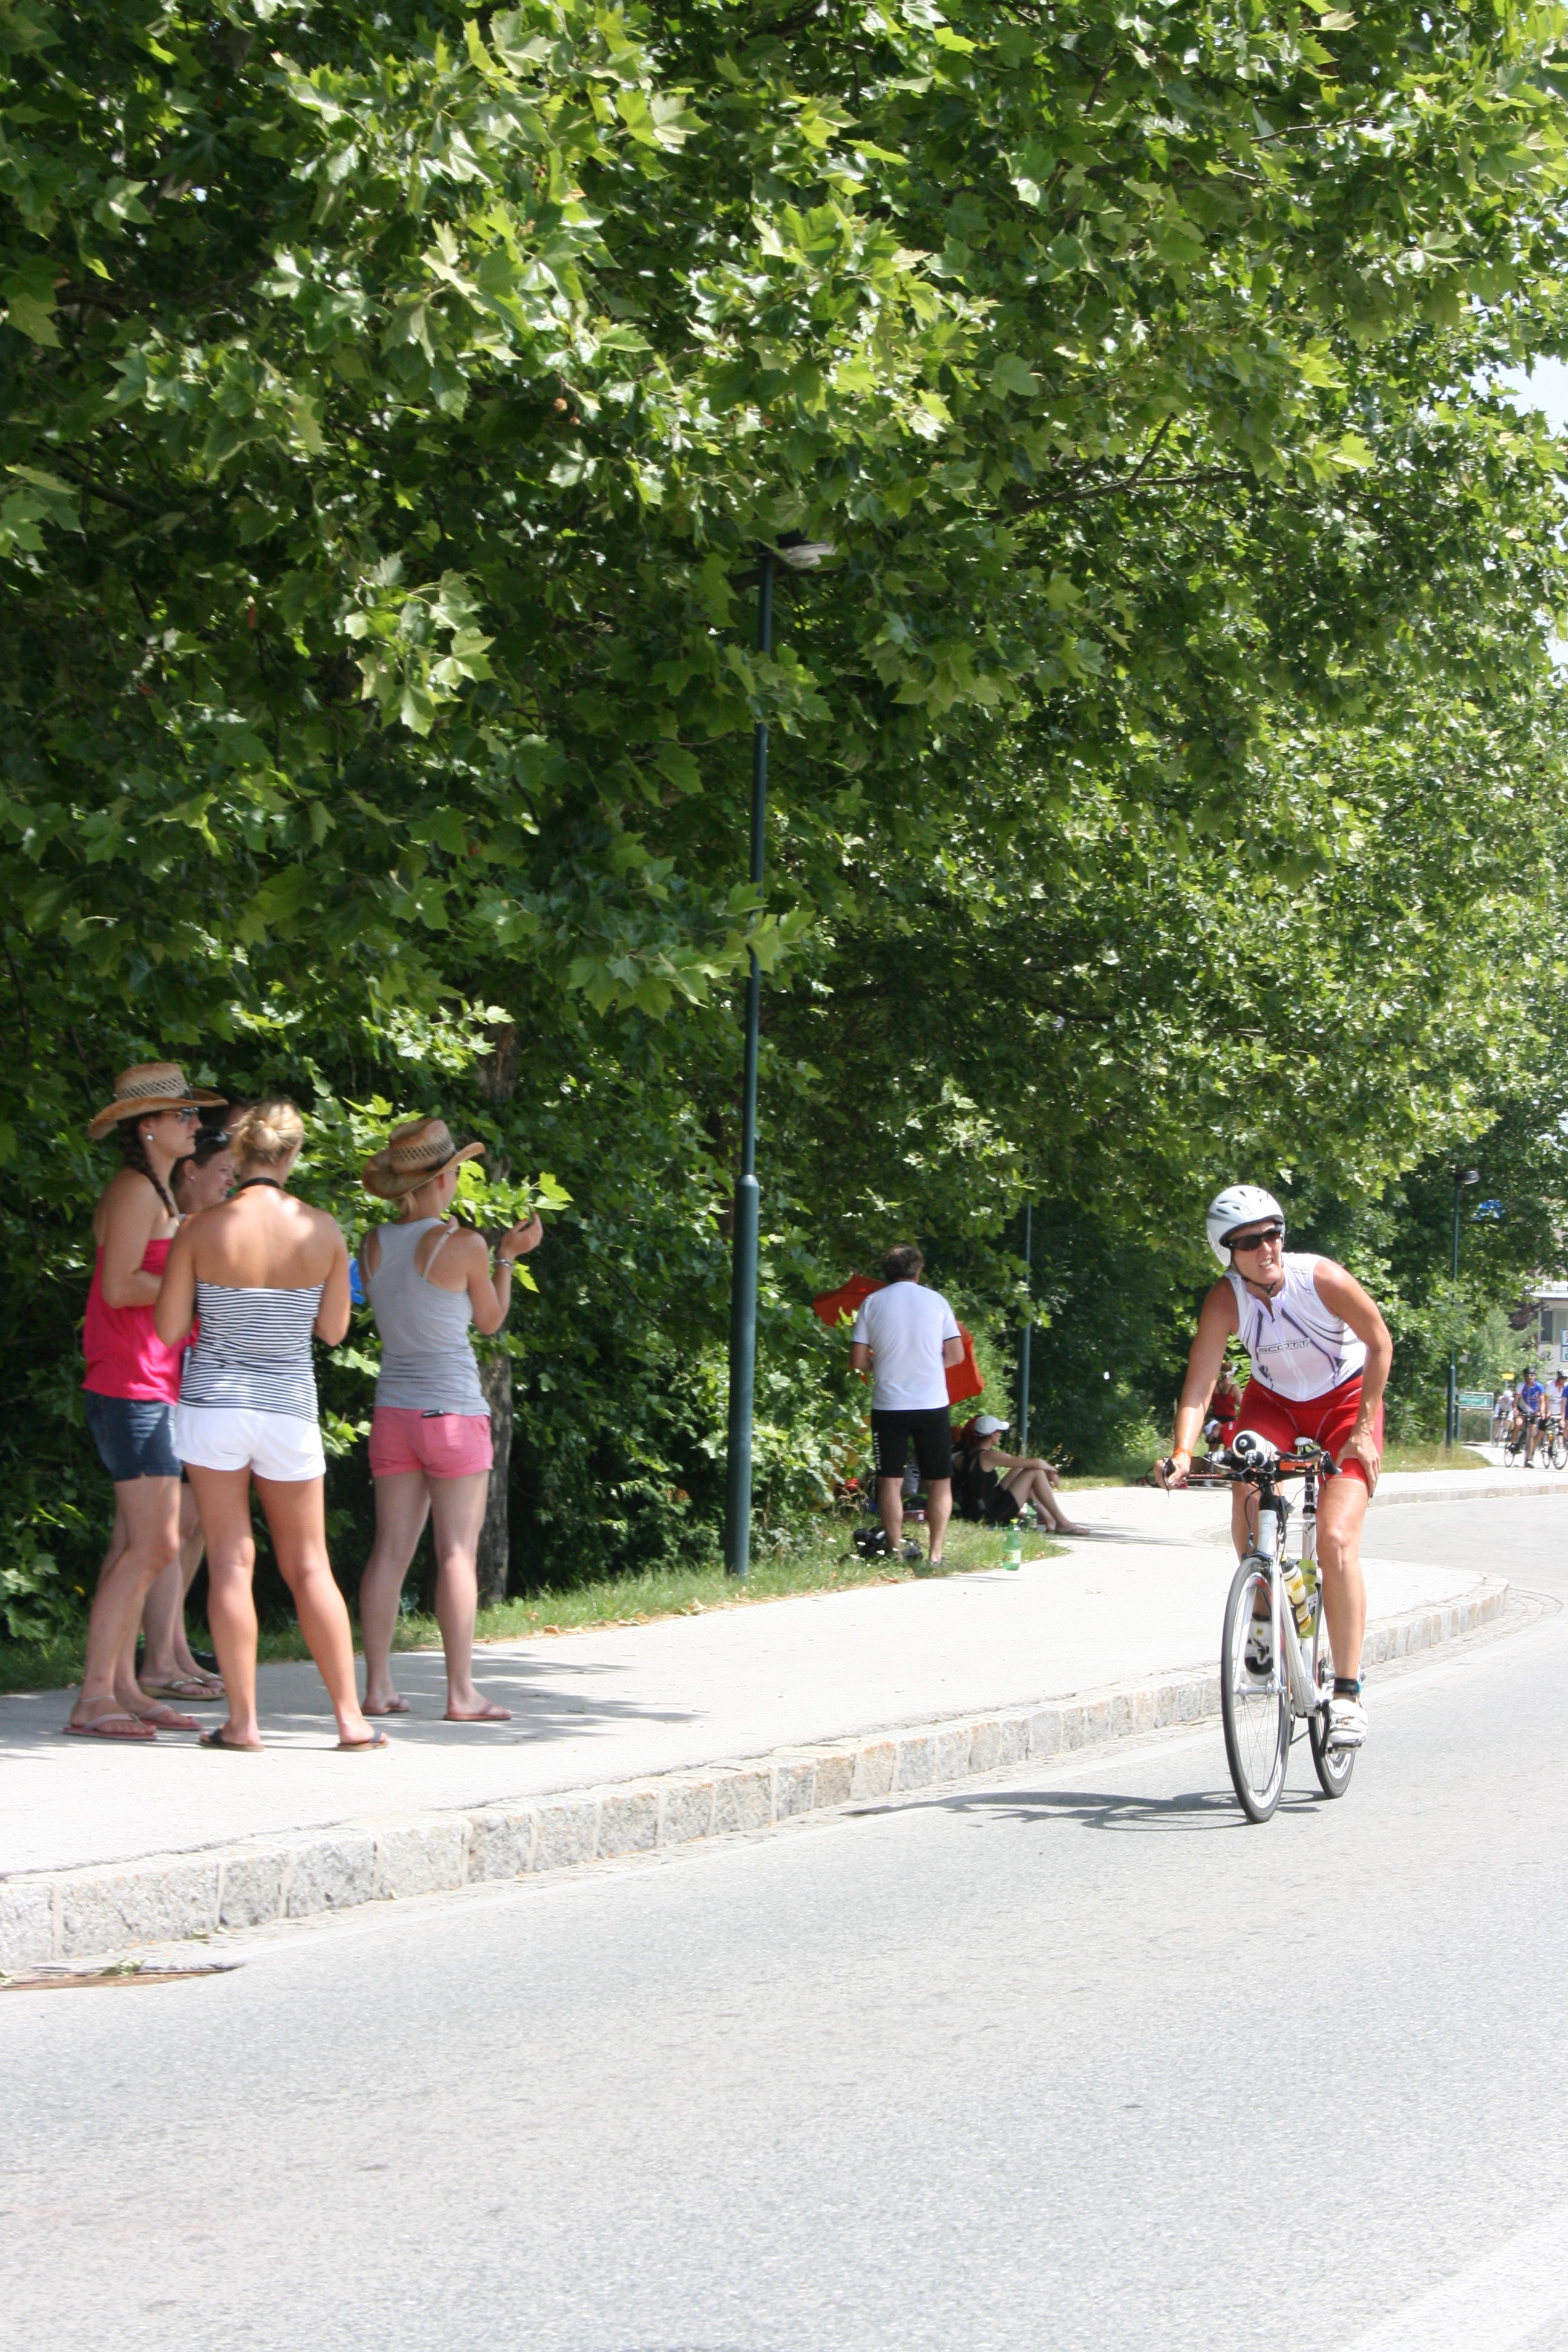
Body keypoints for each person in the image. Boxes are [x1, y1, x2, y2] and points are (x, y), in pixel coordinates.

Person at [155, 1098, 382, 1753]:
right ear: (293, 1154)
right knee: (310, 1564)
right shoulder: (323, 1229)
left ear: (240, 1151)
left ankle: (243, 1722)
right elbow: (333, 1331)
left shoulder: (201, 1227)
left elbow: (169, 1329)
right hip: (287, 1407)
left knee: (231, 1560)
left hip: (214, 1406)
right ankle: (350, 1720)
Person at [1154, 1184, 1392, 1751]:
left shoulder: (1321, 1278)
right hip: (1275, 1404)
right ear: (1227, 1252)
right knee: (1244, 1488)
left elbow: (1379, 1342)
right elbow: (1201, 1382)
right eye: (1249, 1241)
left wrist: (1364, 1429)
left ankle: (1348, 1692)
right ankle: (1264, 1606)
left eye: (1272, 1233)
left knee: (1335, 1540)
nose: (1266, 1247)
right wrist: (1183, 1451)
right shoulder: (1225, 1298)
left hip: (1345, 1403)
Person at [354, 1116, 543, 1721]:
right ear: (441, 1180)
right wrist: (507, 1258)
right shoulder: (462, 1245)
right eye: (456, 1171)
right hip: (453, 1412)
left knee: (389, 1552)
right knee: (457, 1552)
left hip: (394, 1411)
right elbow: (489, 1322)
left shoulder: (373, 1243)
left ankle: (377, 1686)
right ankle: (461, 1693)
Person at [68, 1062, 224, 1740]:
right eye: (184, 1114)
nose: (196, 1123)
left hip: (148, 1383)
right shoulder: (135, 1190)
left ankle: (123, 1688)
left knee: (137, 1544)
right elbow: (119, 1286)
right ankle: (93, 1699)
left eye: (194, 1113)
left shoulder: (157, 1189)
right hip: (128, 1384)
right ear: (148, 1126)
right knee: (156, 1542)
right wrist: (196, 1291)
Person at [135, 1128, 237, 1704]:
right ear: (191, 1170)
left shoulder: (205, 1225)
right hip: (159, 1380)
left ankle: (173, 1646)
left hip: (199, 1383)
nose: (230, 1182)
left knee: (194, 1523)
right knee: (166, 1527)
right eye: (222, 1170)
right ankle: (159, 1656)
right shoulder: (172, 1221)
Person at [849, 1244, 965, 1566]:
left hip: (889, 1404)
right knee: (939, 1480)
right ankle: (936, 1554)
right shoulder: (937, 1301)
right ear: (918, 1271)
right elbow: (956, 1355)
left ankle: (895, 1552)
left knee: (890, 1479)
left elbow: (857, 1360)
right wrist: (928, 1366)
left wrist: (882, 1367)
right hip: (931, 1403)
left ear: (886, 1272)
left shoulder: (872, 1303)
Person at [955, 1414, 1092, 1535]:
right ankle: (1062, 1523)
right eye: (999, 1432)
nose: (1001, 1434)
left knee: (1021, 1468)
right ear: (991, 1435)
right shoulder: (990, 1456)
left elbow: (1022, 1464)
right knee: (1035, 1472)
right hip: (991, 1516)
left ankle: (1050, 1520)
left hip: (975, 1512)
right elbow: (1036, 1463)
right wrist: (1052, 1472)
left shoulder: (962, 1458)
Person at [1518, 1365, 1546, 1465]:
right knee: (1519, 1424)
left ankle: (1529, 1459)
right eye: (1527, 1376)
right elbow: (1517, 1398)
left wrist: (1541, 1411)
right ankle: (1516, 1442)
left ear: (1535, 1376)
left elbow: (1542, 1401)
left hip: (1533, 1411)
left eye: (1532, 1375)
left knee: (1531, 1434)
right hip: (1522, 1408)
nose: (1529, 1378)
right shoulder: (1522, 1386)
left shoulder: (1539, 1386)